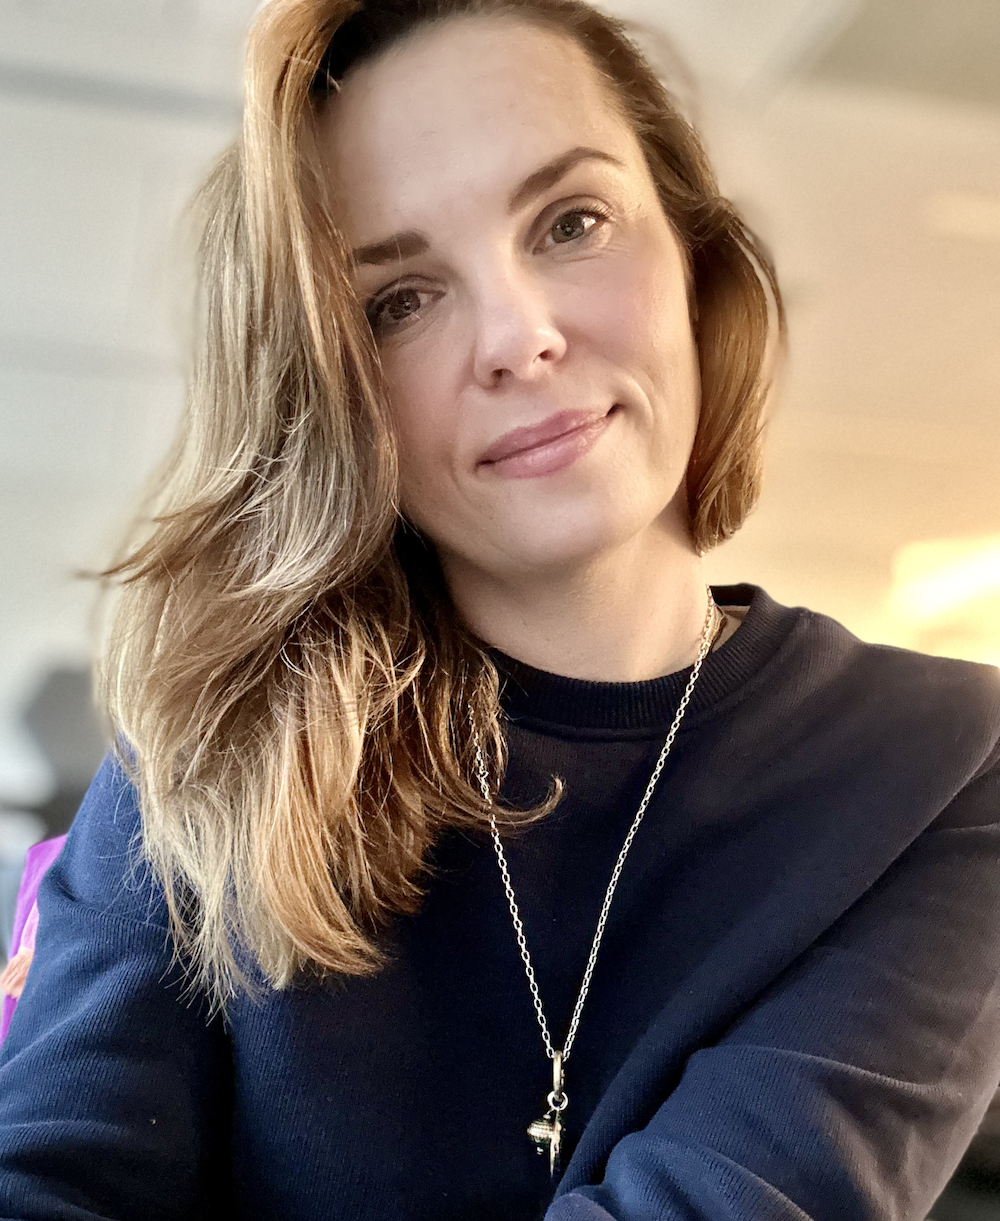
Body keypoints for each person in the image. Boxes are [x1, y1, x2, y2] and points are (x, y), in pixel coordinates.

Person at [1, 0, 999, 1217]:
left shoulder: (943, 763)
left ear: (692, 253)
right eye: (399, 300)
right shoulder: (208, 758)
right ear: (330, 392)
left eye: (572, 223)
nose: (520, 338)